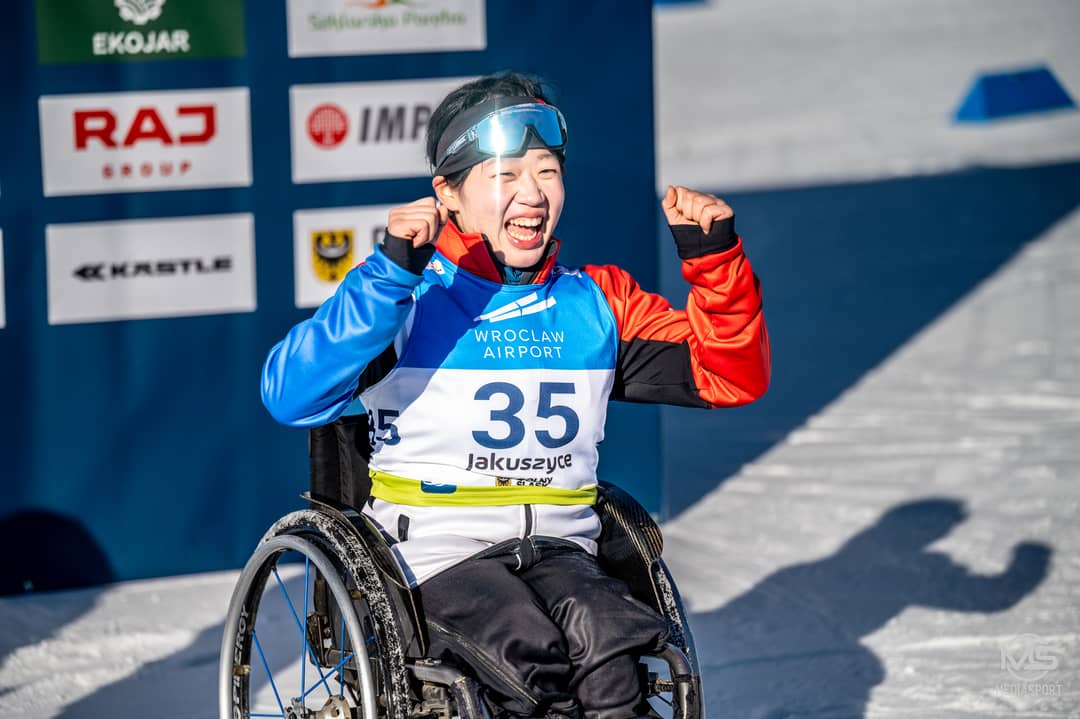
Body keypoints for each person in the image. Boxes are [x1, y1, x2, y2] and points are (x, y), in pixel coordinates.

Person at [261, 72, 770, 719]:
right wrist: (387, 275)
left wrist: (716, 260)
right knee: (525, 657)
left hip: (564, 551)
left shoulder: (598, 301)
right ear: (447, 193)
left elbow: (730, 374)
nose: (532, 194)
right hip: (435, 557)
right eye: (504, 175)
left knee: (614, 648)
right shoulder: (407, 298)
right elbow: (290, 394)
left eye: (547, 172)